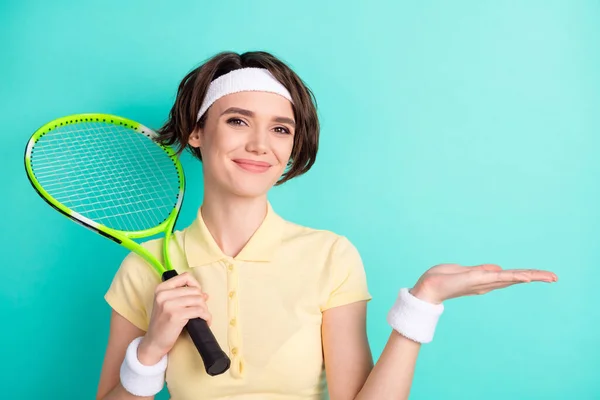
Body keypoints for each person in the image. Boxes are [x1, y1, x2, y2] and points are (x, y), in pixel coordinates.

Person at [95, 51, 557, 400]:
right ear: (197, 132)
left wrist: (423, 302)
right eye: (238, 121)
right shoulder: (144, 266)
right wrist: (151, 349)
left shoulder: (330, 257)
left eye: (280, 129)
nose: (260, 145)